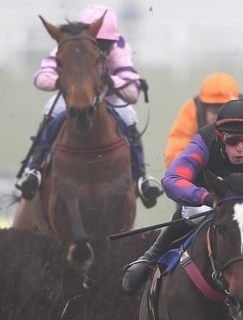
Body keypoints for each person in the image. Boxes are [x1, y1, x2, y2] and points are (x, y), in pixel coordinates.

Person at [121, 99, 243, 320]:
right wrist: (207, 197)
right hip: (212, 202)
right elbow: (172, 180)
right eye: (232, 141)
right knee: (190, 210)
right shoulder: (204, 139)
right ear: (221, 137)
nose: (240, 148)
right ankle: (150, 258)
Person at [15, 4, 163, 208]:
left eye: (105, 44)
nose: (102, 49)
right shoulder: (66, 44)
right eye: (98, 43)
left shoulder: (119, 47)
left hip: (108, 98)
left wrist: (112, 82)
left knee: (129, 118)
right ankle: (34, 170)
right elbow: (40, 77)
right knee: (53, 111)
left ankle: (141, 179)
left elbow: (133, 93)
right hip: (73, 98)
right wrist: (59, 83)